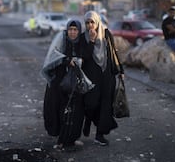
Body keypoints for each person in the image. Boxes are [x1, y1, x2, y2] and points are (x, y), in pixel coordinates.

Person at [41, 19, 86, 149]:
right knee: (60, 109)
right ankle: (61, 138)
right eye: (70, 29)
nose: (72, 32)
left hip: (75, 83)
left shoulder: (82, 43)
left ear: (79, 31)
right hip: (59, 82)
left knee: (75, 112)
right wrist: (66, 60)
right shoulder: (62, 40)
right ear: (67, 30)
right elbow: (53, 55)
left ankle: (72, 138)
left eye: (75, 30)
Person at [81, 11, 124, 146]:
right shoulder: (83, 37)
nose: (90, 25)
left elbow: (113, 52)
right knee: (91, 103)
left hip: (107, 75)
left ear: (97, 22)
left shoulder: (106, 34)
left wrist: (120, 70)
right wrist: (92, 41)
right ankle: (88, 120)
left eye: (92, 22)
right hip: (91, 76)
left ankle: (100, 135)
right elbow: (85, 57)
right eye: (87, 23)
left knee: (105, 106)